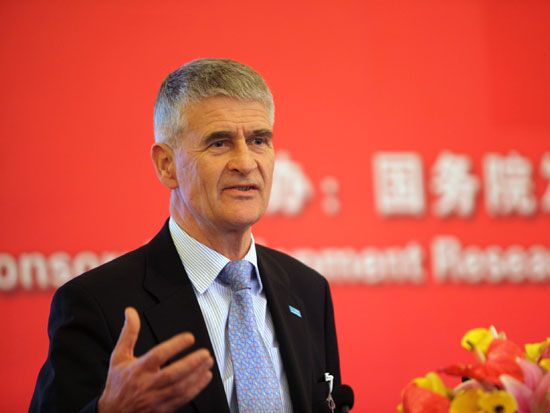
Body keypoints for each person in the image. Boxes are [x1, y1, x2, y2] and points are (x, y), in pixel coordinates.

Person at [30, 58, 341, 413]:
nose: (245, 163)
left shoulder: (308, 290)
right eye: (219, 143)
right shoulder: (97, 305)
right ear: (166, 165)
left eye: (258, 140)